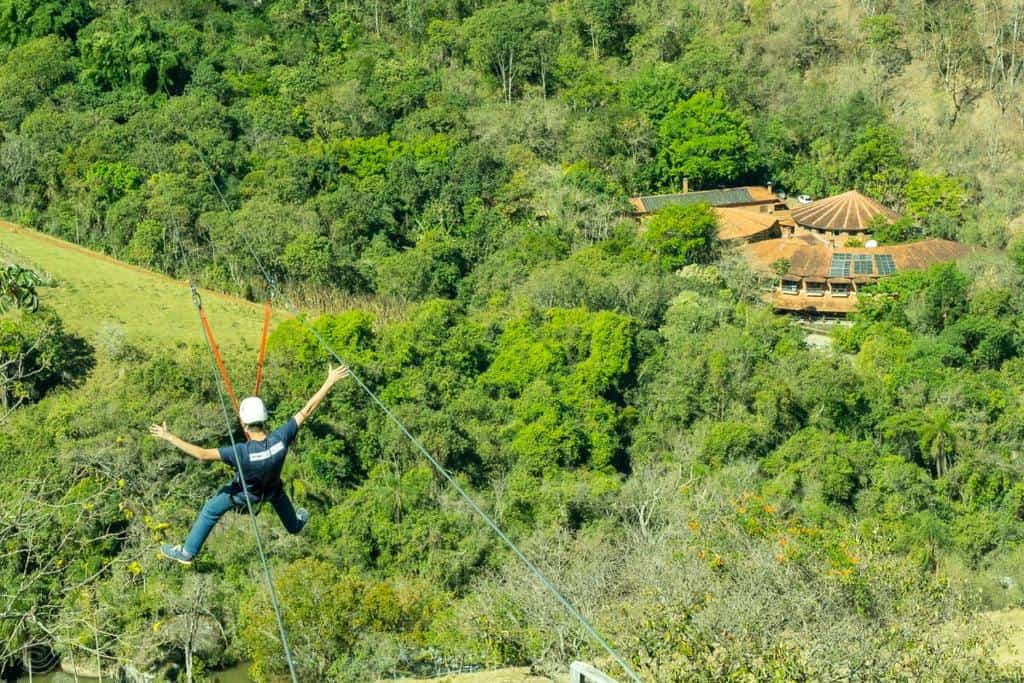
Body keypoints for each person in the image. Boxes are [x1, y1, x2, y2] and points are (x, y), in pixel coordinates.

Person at [149, 364, 350, 565]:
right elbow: (307, 410)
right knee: (288, 514)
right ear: (264, 420)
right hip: (272, 491)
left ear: (244, 424)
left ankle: (187, 553)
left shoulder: (241, 453)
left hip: (243, 495)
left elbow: (201, 454)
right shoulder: (280, 439)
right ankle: (295, 524)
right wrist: (330, 380)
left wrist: (168, 436)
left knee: (211, 510)